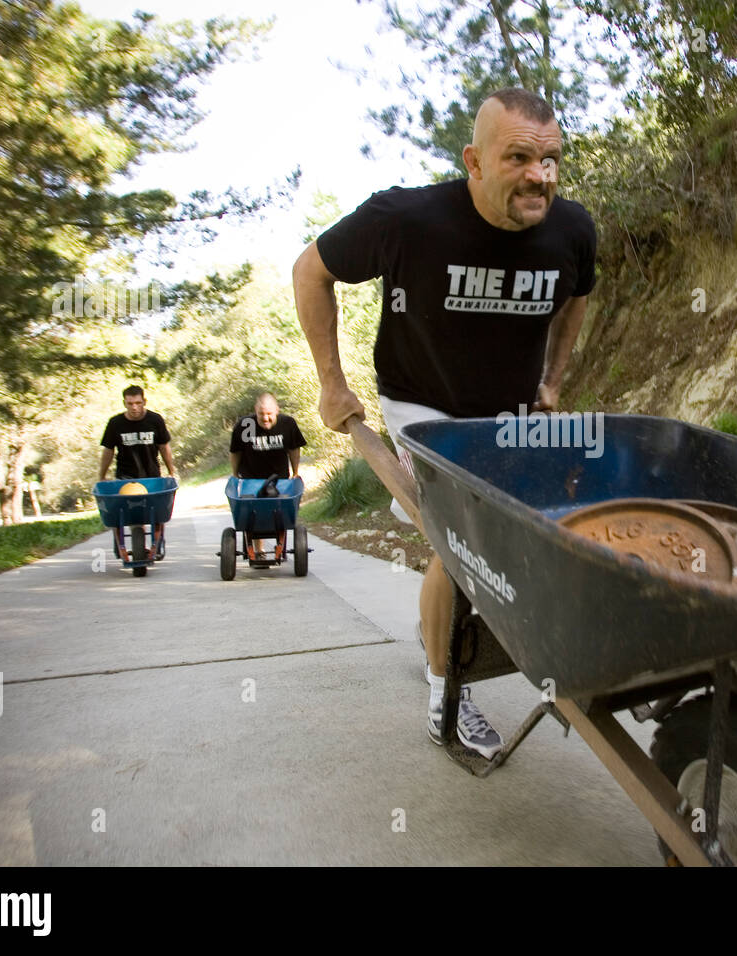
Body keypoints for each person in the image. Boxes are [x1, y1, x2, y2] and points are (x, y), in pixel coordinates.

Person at [293, 87, 596, 760]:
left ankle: (535, 644)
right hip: (423, 409)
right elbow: (310, 270)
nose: (540, 177)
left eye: (551, 160)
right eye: (519, 158)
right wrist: (331, 385)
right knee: (460, 543)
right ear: (475, 162)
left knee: (552, 523)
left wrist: (552, 380)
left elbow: (577, 296)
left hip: (507, 415)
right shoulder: (407, 219)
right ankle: (444, 692)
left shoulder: (572, 231)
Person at [98, 385, 175, 559]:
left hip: (151, 475)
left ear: (144, 402)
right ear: (124, 403)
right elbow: (108, 451)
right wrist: (102, 476)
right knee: (124, 513)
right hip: (126, 476)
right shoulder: (115, 423)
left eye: (138, 403)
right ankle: (121, 543)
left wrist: (171, 471)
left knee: (157, 511)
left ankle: (156, 544)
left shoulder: (155, 420)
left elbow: (164, 447)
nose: (134, 407)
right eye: (130, 403)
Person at [230, 392, 307, 562]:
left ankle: (280, 546)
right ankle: (259, 550)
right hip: (251, 479)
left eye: (269, 414)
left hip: (279, 479)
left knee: (278, 512)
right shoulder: (244, 426)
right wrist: (235, 475)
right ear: (255, 411)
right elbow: (236, 452)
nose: (265, 418)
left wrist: (295, 472)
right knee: (254, 514)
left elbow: (294, 449)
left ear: (277, 411)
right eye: (261, 414)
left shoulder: (288, 424)